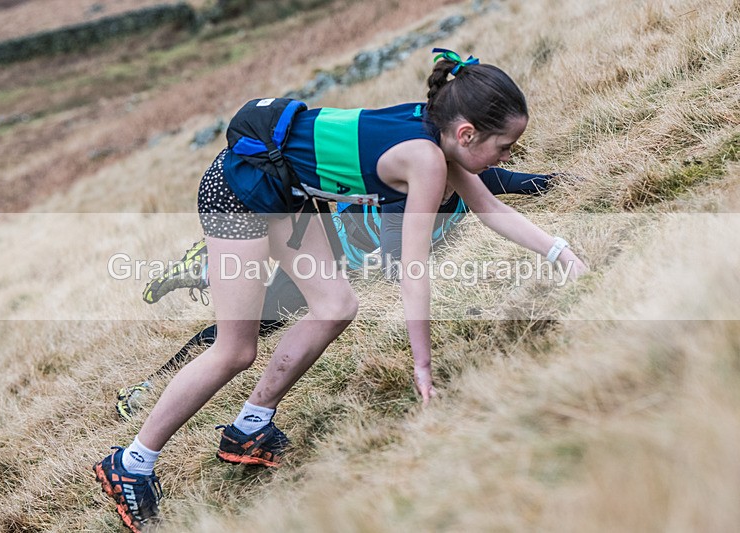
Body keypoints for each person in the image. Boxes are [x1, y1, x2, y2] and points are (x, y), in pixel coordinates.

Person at [94, 48, 588, 532]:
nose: (507, 157)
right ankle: (131, 464)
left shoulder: (437, 137)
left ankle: (249, 427)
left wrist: (561, 253)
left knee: (335, 306)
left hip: (283, 188)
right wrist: (422, 364)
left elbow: (491, 208)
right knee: (234, 350)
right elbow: (412, 269)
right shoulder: (427, 160)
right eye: (504, 147)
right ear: (467, 133)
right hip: (238, 191)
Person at [116, 167, 559, 421]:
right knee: (248, 327)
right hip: (321, 249)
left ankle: (213, 264)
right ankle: (151, 380)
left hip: (334, 253)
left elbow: (532, 182)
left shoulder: (473, 181)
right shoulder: (401, 200)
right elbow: (397, 264)